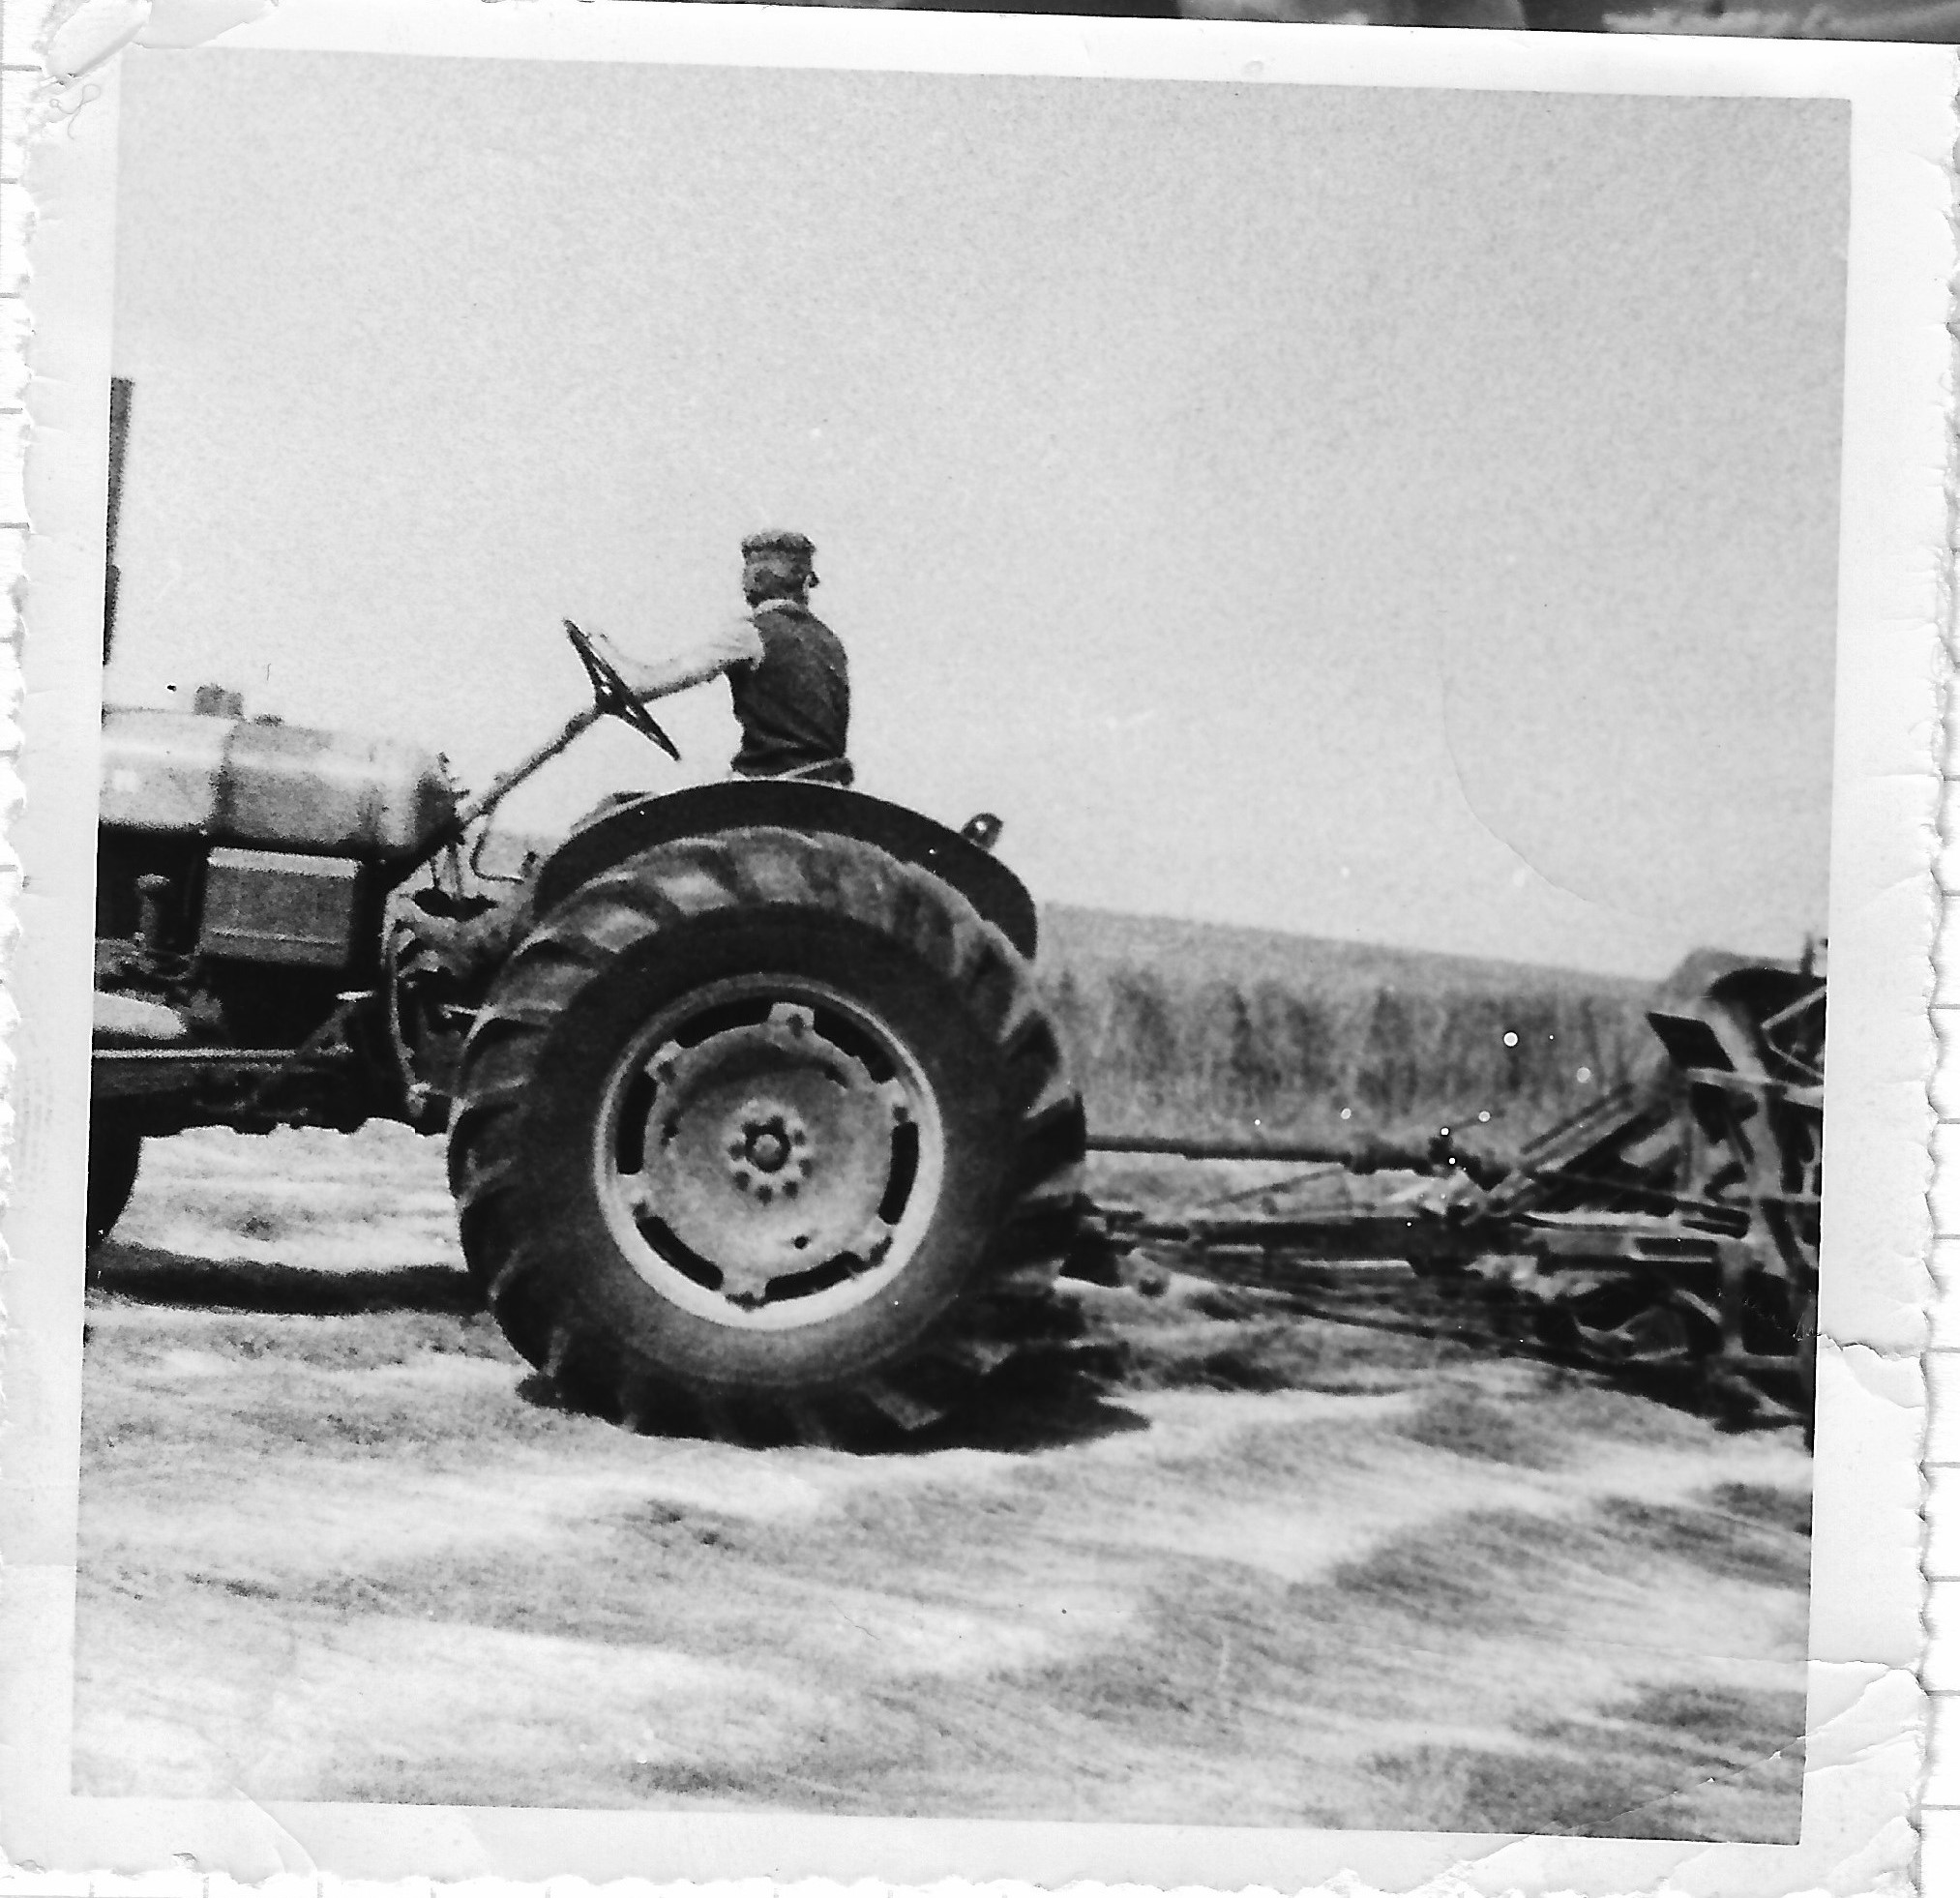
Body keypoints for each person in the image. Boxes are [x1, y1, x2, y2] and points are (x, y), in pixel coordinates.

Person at [589, 529, 853, 786]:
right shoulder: (830, 642)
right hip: (826, 785)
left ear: (757, 579)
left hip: (768, 784)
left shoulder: (752, 633)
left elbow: (641, 684)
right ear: (806, 581)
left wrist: (600, 645)